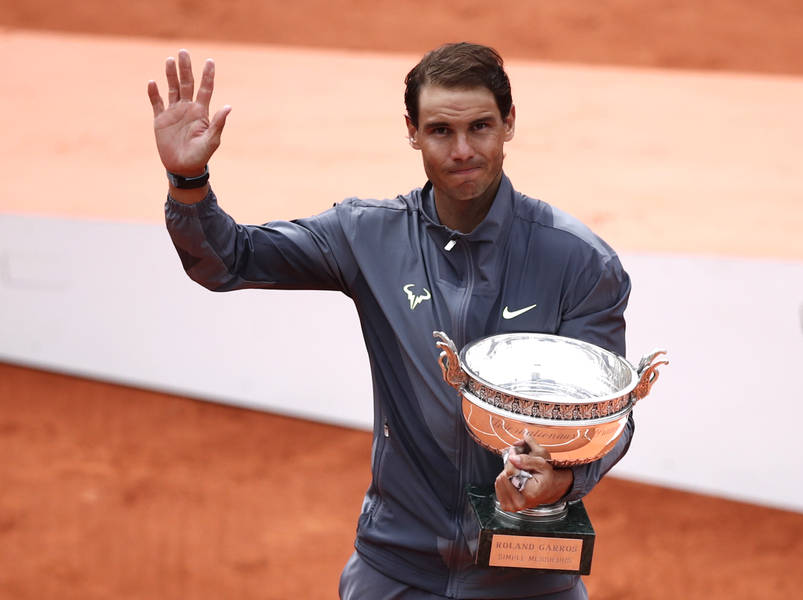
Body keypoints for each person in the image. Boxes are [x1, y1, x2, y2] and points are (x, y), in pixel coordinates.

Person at [148, 42, 633, 599]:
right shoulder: (366, 234)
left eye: (480, 126)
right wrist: (188, 182)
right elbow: (228, 259)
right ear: (411, 131)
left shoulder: (578, 261)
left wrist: (564, 479)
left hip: (529, 576)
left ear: (509, 124)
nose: (463, 150)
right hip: (397, 567)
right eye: (440, 131)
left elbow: (610, 419)